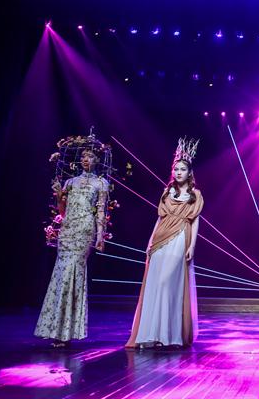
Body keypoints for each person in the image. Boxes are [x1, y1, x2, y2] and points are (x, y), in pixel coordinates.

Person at [125, 137, 203, 349]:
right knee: (155, 284)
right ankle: (152, 335)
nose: (178, 172)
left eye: (183, 169)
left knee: (168, 283)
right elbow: (159, 219)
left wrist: (192, 246)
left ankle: (170, 335)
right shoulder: (167, 192)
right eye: (176, 169)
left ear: (190, 173)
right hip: (160, 239)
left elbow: (195, 221)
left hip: (181, 237)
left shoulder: (195, 195)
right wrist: (150, 242)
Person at [35, 149, 109, 347]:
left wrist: (100, 236)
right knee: (60, 274)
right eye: (83, 156)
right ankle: (54, 330)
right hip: (67, 230)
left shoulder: (101, 183)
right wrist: (60, 194)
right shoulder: (70, 182)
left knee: (73, 273)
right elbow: (63, 211)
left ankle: (66, 331)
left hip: (84, 230)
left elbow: (100, 211)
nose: (86, 159)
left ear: (97, 160)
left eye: (90, 156)